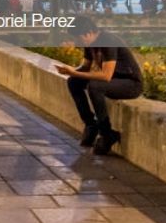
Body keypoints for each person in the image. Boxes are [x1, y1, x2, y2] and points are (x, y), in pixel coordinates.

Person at [55, 16, 143, 156]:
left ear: (88, 33)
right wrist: (70, 71)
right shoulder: (89, 44)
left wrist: (74, 73)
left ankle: (106, 133)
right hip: (112, 82)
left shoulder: (108, 41)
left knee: (95, 86)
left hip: (130, 84)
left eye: (79, 38)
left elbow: (106, 75)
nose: (78, 42)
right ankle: (90, 124)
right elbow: (85, 67)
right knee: (73, 82)